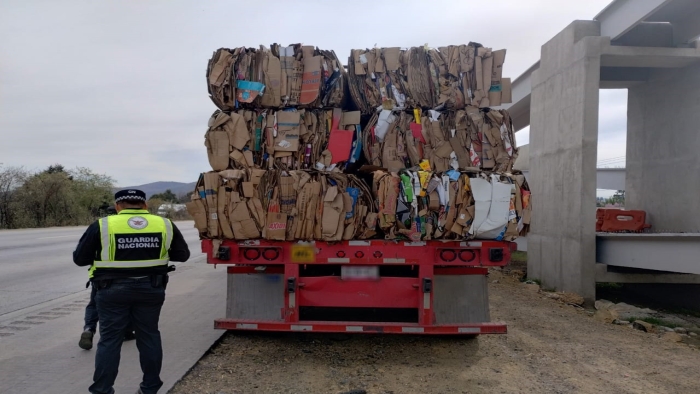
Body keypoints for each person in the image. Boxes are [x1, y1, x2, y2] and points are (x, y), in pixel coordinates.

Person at [73, 189, 190, 394]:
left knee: (109, 340)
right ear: (144, 205)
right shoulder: (164, 224)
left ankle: (102, 389)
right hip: (151, 289)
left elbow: (80, 259)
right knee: (149, 335)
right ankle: (150, 388)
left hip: (111, 290)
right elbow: (182, 255)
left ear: (118, 206)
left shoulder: (102, 225)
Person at [80, 206, 136, 351]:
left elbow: (81, 256)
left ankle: (88, 329)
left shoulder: (100, 227)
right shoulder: (128, 228)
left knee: (94, 304)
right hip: (127, 276)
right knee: (127, 304)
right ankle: (127, 331)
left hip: (101, 277)